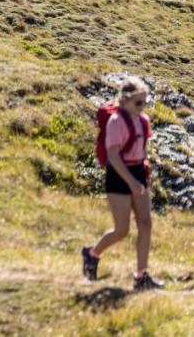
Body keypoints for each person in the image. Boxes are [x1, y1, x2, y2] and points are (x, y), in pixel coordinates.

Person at [81, 77, 162, 290]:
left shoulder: (142, 119)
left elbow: (142, 149)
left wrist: (143, 177)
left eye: (144, 102)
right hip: (119, 174)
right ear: (125, 100)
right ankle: (92, 253)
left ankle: (141, 276)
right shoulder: (116, 121)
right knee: (122, 230)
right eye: (138, 102)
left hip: (137, 171)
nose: (142, 107)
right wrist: (132, 182)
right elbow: (113, 156)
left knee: (145, 223)